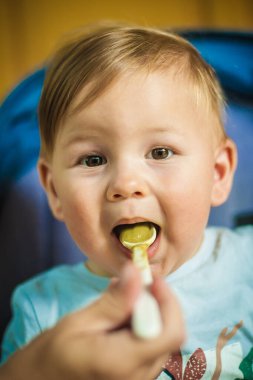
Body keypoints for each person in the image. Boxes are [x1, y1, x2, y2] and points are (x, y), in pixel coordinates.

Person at [2, 22, 253, 377]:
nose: (126, 184)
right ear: (54, 190)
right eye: (93, 160)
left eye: (161, 151)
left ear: (218, 173)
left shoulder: (248, 266)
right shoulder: (42, 311)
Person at [0, 263, 185, 380]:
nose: (126, 197)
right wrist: (40, 372)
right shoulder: (37, 303)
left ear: (214, 197)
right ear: (57, 200)